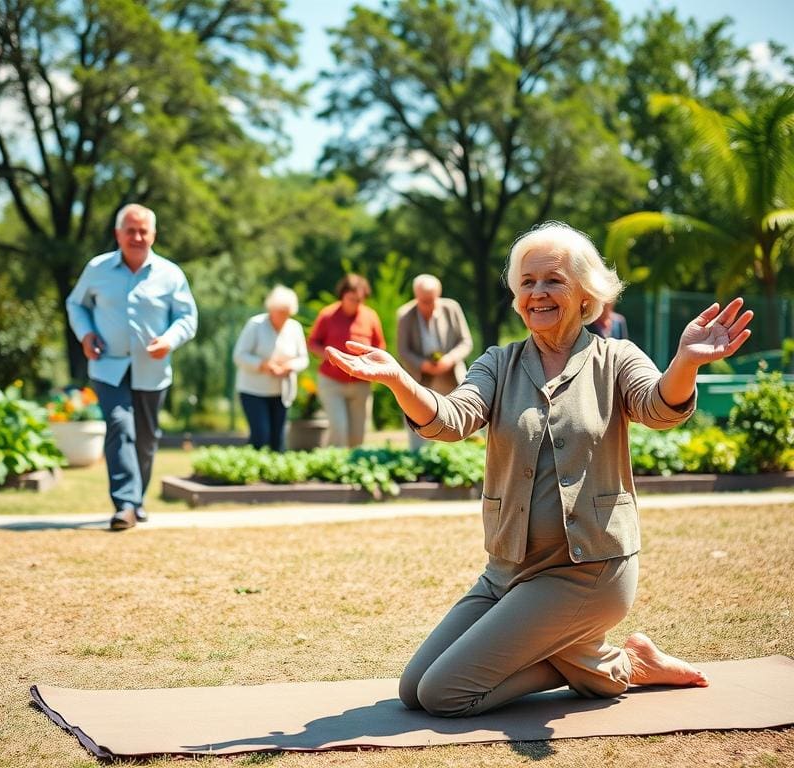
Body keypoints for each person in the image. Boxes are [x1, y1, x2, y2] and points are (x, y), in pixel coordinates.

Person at [326, 221, 753, 717]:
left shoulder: (614, 358)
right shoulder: (498, 363)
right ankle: (591, 654)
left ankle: (620, 666)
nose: (538, 293)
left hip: (587, 570)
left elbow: (659, 408)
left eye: (553, 280)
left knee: (445, 694)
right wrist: (399, 379)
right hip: (506, 571)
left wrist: (685, 363)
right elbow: (450, 419)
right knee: (412, 688)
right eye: (527, 282)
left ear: (584, 292)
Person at [66, 203, 197, 531]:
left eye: (143, 231)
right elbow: (75, 304)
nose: (137, 237)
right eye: (130, 230)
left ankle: (136, 501)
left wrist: (169, 340)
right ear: (118, 234)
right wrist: (86, 334)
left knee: (146, 438)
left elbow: (187, 318)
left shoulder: (171, 274)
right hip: (107, 367)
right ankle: (125, 504)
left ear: (153, 234)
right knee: (120, 424)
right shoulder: (97, 269)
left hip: (153, 371)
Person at [308, 274, 386, 447]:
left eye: (360, 300)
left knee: (358, 433)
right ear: (342, 295)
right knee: (339, 428)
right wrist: (330, 356)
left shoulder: (370, 316)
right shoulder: (328, 315)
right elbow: (313, 343)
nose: (355, 303)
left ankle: (353, 467)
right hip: (331, 381)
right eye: (352, 299)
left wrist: (370, 362)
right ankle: (334, 467)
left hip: (360, 382)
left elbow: (380, 345)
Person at [397, 274, 473, 450]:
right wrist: (422, 364)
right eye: (423, 301)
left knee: (455, 421)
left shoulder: (452, 308)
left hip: (451, 377)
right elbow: (403, 350)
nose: (428, 305)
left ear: (438, 295)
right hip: (420, 378)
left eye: (431, 300)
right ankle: (419, 461)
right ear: (416, 296)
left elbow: (465, 342)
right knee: (418, 420)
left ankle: (455, 459)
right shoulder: (405, 315)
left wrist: (450, 359)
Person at [233, 286, 309, 452]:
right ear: (271, 309)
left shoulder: (294, 327)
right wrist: (262, 364)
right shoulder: (255, 325)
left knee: (278, 439)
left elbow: (303, 359)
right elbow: (239, 355)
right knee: (260, 435)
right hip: (253, 390)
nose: (283, 316)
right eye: (280, 311)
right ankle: (251, 469)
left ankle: (274, 475)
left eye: (287, 312)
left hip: (282, 391)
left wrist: (289, 366)